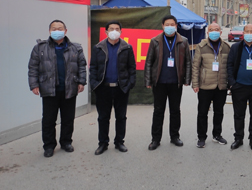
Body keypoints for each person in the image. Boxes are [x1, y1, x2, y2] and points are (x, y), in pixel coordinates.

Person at [28, 20, 87, 157]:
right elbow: (33, 67)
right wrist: (34, 84)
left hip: (69, 89)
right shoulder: (40, 48)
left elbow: (82, 66)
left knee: (68, 119)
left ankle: (66, 142)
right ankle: (49, 146)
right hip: (49, 89)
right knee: (48, 120)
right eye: (54, 28)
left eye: (60, 28)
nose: (57, 31)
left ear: (65, 31)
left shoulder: (76, 48)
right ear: (49, 31)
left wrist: (81, 82)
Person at [144, 15, 191, 150]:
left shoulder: (183, 41)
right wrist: (148, 80)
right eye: (167, 24)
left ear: (176, 26)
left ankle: (175, 136)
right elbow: (149, 62)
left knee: (175, 111)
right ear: (162, 26)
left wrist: (187, 79)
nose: (170, 27)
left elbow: (188, 62)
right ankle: (155, 139)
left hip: (176, 83)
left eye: (172, 24)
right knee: (158, 111)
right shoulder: (155, 41)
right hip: (159, 82)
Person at [89, 21, 137, 155]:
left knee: (121, 117)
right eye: (111, 29)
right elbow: (93, 67)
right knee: (103, 117)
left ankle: (119, 142)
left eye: (117, 29)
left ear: (121, 31)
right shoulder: (98, 48)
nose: (114, 31)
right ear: (106, 32)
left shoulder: (127, 47)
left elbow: (132, 68)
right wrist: (94, 84)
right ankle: (103, 143)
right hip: (103, 88)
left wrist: (129, 84)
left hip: (121, 88)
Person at [192, 22, 230, 148]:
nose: (214, 31)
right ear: (208, 32)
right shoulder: (201, 46)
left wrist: (229, 84)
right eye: (211, 29)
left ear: (221, 32)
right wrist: (195, 84)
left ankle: (217, 135)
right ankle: (201, 137)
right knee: (202, 113)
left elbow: (229, 67)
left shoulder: (226, 47)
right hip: (205, 85)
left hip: (221, 85)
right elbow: (196, 66)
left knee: (219, 112)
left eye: (217, 29)